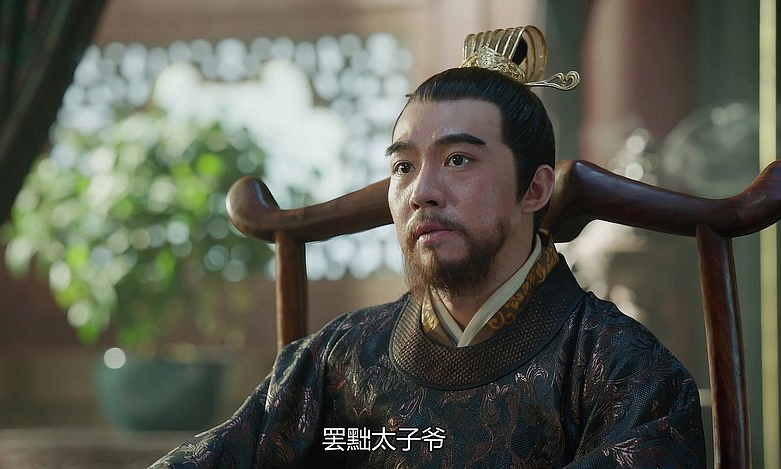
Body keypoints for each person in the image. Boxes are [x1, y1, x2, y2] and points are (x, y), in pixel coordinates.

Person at [150, 26, 705, 468]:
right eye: (403, 166)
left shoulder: (623, 371)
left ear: (534, 189)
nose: (422, 192)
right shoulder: (338, 359)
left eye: (458, 160)